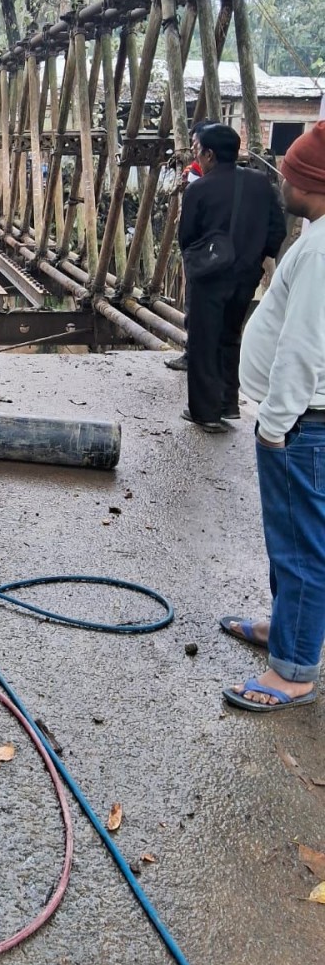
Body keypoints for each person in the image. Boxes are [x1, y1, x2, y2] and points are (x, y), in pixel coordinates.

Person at [221, 123, 325, 712]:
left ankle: (293, 673)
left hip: (304, 421)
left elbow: (304, 347)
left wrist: (276, 422)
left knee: (301, 546)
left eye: (292, 171)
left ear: (314, 184)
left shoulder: (318, 251)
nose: (282, 178)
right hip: (306, 417)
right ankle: (288, 633)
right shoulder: (315, 238)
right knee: (293, 538)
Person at [177, 122, 285, 433]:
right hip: (245, 275)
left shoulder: (199, 188)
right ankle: (228, 404)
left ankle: (205, 413)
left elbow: (187, 237)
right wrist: (256, 257)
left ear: (209, 154)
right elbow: (276, 228)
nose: (198, 156)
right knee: (229, 337)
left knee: (202, 341)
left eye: (199, 151)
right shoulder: (260, 183)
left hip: (210, 277)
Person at [166, 119, 213, 373]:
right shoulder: (195, 172)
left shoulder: (200, 177)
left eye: (196, 145)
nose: (193, 150)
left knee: (199, 304)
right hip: (205, 250)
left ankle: (195, 356)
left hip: (207, 251)